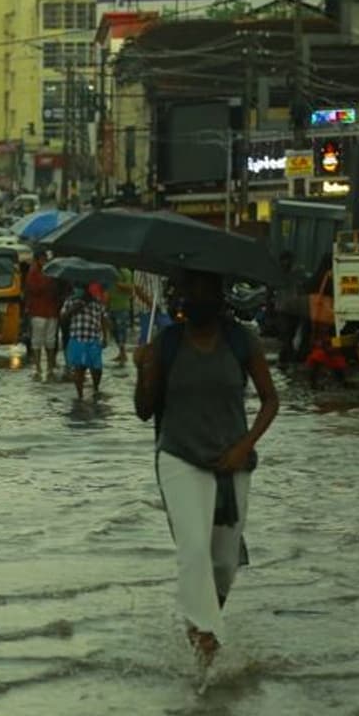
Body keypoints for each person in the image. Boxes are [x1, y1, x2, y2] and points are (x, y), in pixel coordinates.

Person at [133, 269, 280, 666]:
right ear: (178, 298)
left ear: (218, 295)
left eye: (202, 290)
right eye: (187, 290)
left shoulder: (240, 341)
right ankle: (205, 634)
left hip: (233, 462)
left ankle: (203, 619)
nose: (193, 298)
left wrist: (244, 446)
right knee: (194, 550)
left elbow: (270, 400)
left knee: (224, 564)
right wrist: (141, 369)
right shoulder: (166, 344)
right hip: (179, 456)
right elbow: (144, 411)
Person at [60, 282, 110, 399]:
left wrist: (105, 337)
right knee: (79, 368)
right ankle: (80, 395)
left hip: (93, 339)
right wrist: (73, 309)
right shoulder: (70, 301)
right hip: (77, 339)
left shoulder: (97, 302)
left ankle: (96, 389)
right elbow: (62, 318)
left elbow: (103, 318)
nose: (79, 290)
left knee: (97, 368)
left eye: (82, 288)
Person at [24, 251, 61, 381]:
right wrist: (48, 280)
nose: (44, 261)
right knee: (37, 340)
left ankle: (50, 366)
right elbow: (34, 289)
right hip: (38, 311)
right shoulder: (33, 272)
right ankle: (38, 366)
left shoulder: (53, 271)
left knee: (51, 340)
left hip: (52, 310)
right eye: (42, 259)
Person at [108, 268, 136, 364]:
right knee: (114, 331)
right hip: (111, 305)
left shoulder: (125, 272)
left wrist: (116, 282)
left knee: (121, 330)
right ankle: (121, 352)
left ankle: (123, 353)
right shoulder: (110, 271)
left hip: (122, 306)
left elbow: (130, 288)